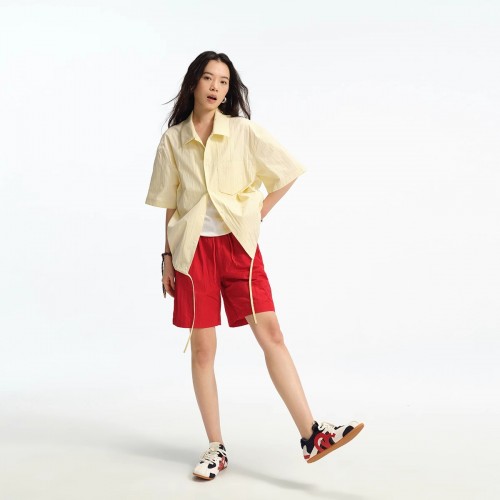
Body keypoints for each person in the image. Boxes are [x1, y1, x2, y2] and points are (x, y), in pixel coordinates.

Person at [145, 50, 364, 481]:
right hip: (192, 253)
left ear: (229, 90)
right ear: (194, 83)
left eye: (223, 81)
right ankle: (216, 447)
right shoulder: (173, 140)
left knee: (271, 334)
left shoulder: (242, 131)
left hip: (238, 248)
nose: (215, 87)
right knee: (203, 350)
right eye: (208, 78)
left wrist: (256, 214)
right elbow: (170, 204)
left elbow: (287, 171)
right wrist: (166, 258)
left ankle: (312, 435)